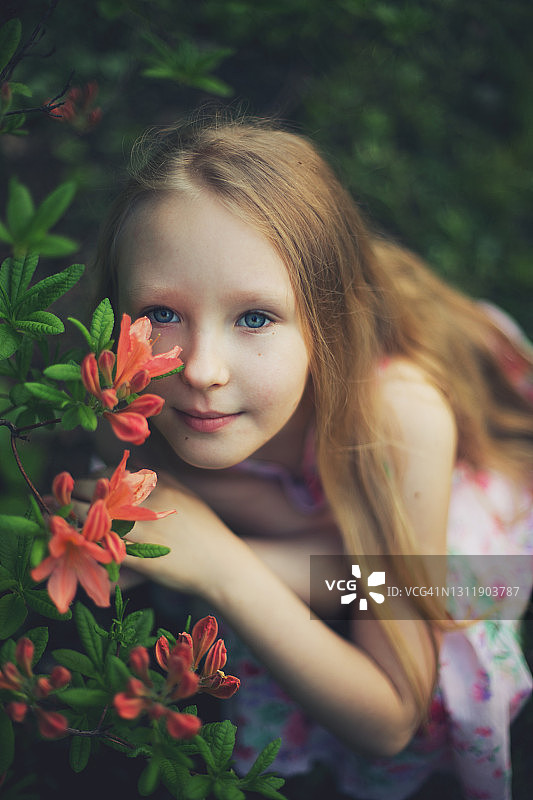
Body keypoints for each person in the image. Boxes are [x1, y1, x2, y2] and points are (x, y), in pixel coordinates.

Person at [92, 115, 533, 799]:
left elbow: (391, 718)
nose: (203, 370)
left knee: (456, 588)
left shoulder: (398, 417)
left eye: (254, 318)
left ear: (325, 323)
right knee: (352, 561)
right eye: (162, 313)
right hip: (353, 527)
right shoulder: (122, 391)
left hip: (429, 523)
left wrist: (222, 566)